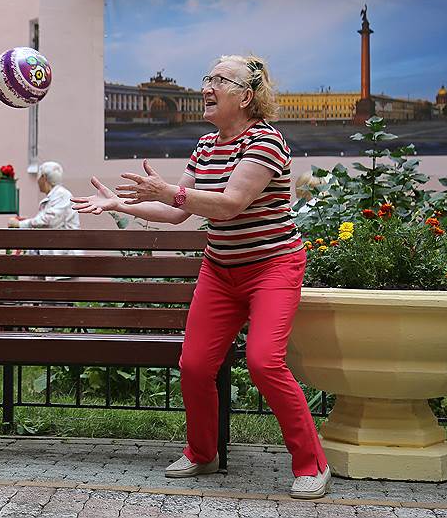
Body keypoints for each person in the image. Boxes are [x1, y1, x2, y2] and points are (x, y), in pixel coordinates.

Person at [72, 55, 330, 499]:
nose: (207, 87)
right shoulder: (206, 146)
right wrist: (121, 205)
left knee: (264, 362)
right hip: (221, 269)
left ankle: (312, 463)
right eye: (207, 79)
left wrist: (170, 190)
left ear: (246, 96)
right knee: (193, 366)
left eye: (220, 80)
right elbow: (176, 211)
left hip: (273, 266)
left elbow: (230, 204)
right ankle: (202, 452)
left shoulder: (266, 143)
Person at [8, 161, 81, 265]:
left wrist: (20, 224)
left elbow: (49, 220)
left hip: (63, 260)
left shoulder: (61, 195)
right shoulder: (56, 195)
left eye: (38, 176)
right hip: (56, 259)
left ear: (44, 178)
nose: (37, 181)